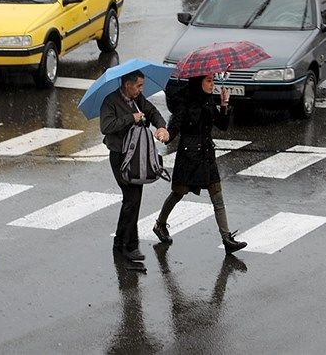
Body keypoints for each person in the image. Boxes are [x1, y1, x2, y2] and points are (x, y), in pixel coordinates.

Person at [152, 74, 247, 254]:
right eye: (209, 81)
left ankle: (226, 238)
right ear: (199, 82)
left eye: (213, 81)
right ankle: (160, 224)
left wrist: (224, 104)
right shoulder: (184, 101)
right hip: (189, 156)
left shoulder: (209, 100)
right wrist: (165, 134)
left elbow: (222, 125)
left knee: (217, 196)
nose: (213, 85)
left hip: (206, 155)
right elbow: (174, 127)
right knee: (178, 193)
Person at [100, 70, 169, 265]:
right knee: (132, 198)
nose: (141, 89)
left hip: (137, 155)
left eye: (142, 86)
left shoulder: (138, 99)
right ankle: (127, 246)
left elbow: (153, 112)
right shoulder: (111, 101)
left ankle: (122, 242)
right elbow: (106, 127)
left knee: (133, 200)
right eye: (138, 85)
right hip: (120, 156)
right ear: (126, 84)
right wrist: (131, 117)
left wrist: (161, 127)